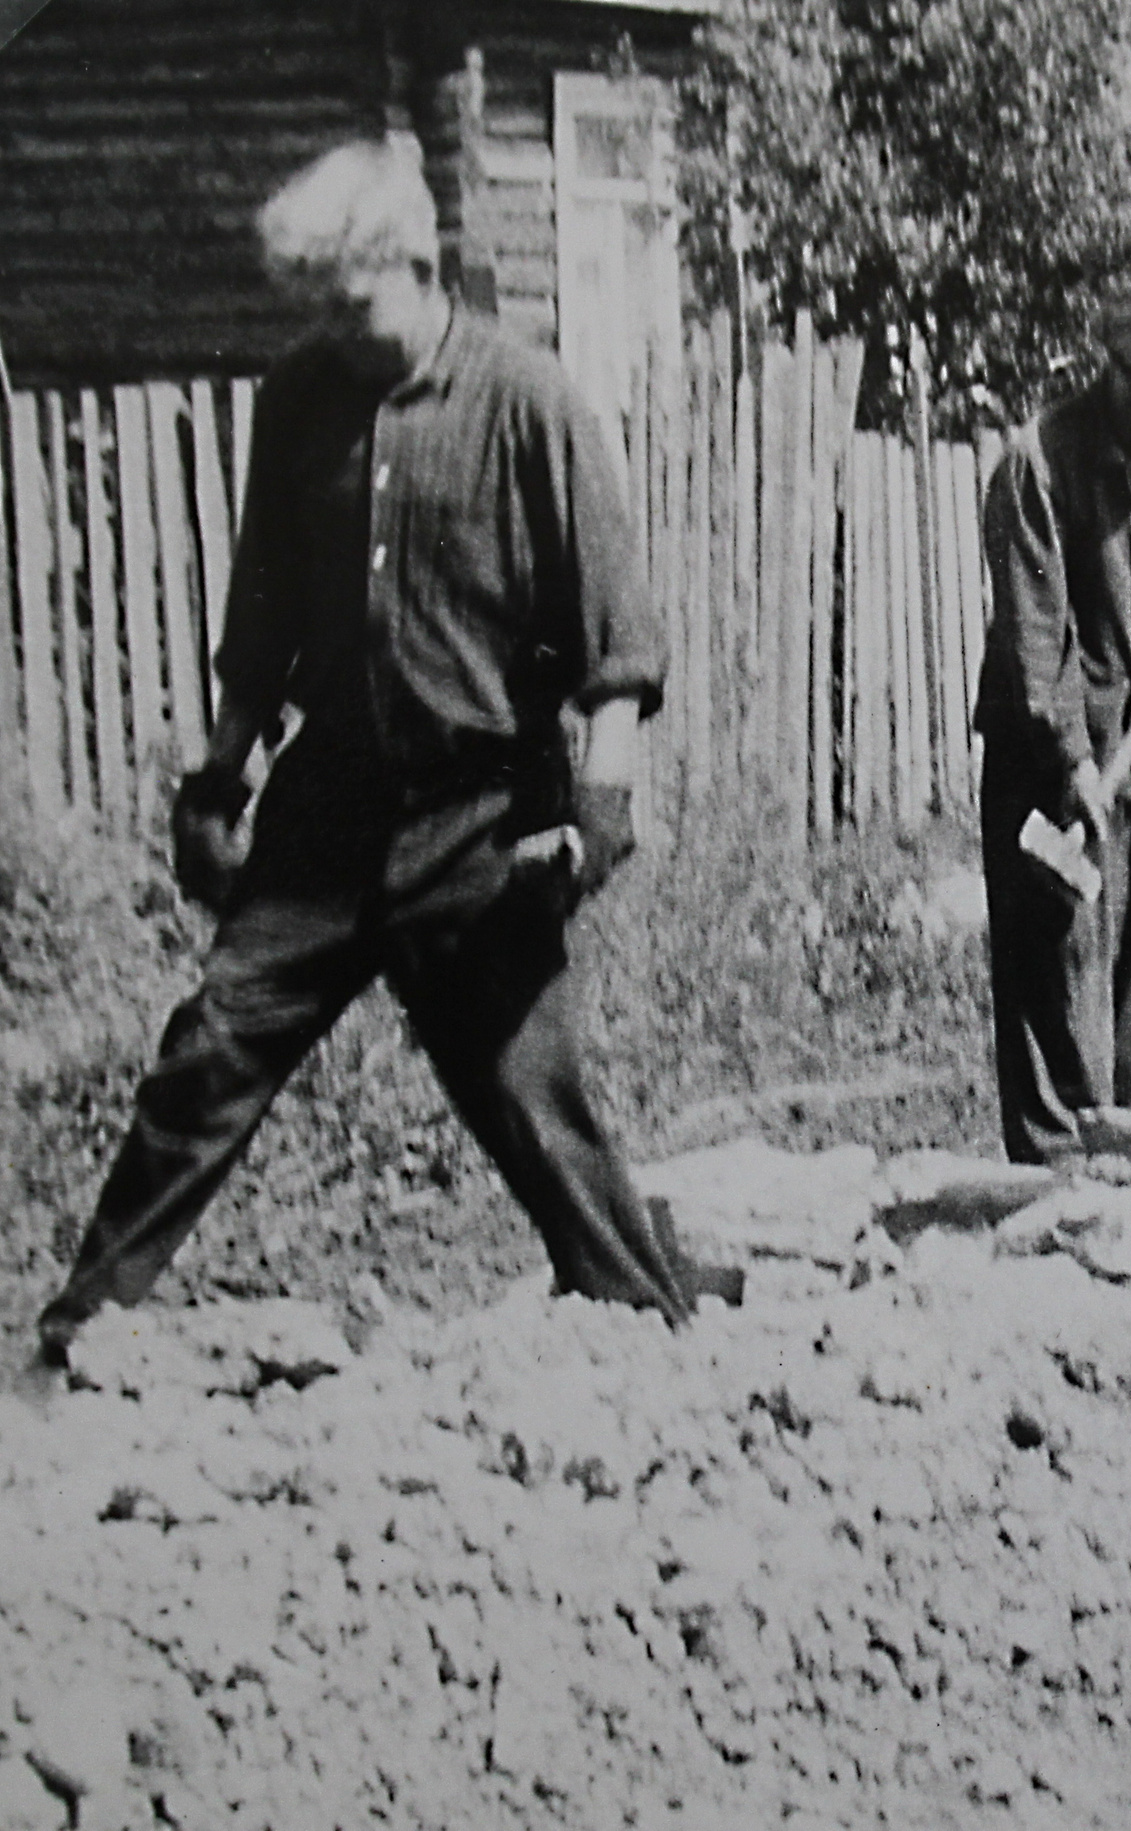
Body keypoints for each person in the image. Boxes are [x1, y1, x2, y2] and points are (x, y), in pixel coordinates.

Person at [36, 137, 715, 1365]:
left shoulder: (529, 403)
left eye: (352, 309)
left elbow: (618, 637)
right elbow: (264, 614)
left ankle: (652, 1339)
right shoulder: (300, 398)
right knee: (208, 1054)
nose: (335, 336)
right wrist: (221, 771)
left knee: (533, 1100)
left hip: (482, 819)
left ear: (418, 265)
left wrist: (605, 799)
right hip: (327, 817)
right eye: (317, 313)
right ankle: (76, 1332)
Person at [974, 282, 1131, 1164]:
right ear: (1108, 369)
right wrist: (1073, 761)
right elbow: (1035, 635)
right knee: (1057, 971)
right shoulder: (1038, 463)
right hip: (1046, 762)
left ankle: (1119, 1166)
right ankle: (1052, 1179)